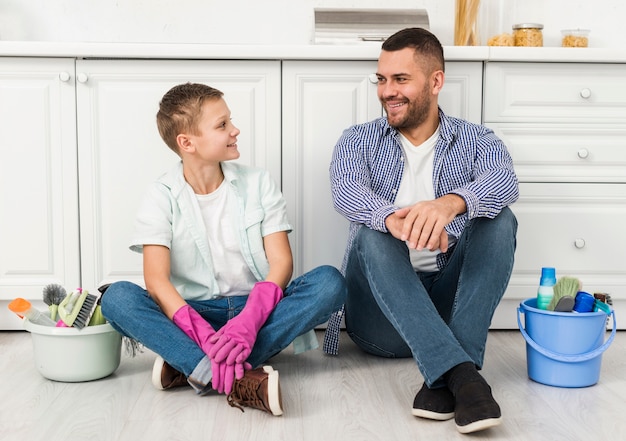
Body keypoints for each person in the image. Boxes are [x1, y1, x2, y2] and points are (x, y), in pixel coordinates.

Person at [102, 82, 346, 416]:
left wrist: (248, 322)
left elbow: (282, 264)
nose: (235, 130)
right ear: (187, 142)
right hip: (194, 314)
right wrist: (201, 332)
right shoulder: (160, 196)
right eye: (222, 125)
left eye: (230, 121)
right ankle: (231, 375)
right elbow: (157, 282)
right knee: (117, 298)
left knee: (330, 283)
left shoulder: (258, 182)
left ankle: (190, 365)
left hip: (258, 313)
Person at [322, 28, 519, 434]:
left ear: (435, 81)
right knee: (372, 231)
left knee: (501, 219)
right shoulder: (357, 141)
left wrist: (449, 204)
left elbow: (504, 181)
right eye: (382, 79)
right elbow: (346, 193)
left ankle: (445, 373)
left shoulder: (477, 140)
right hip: (381, 321)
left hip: (448, 307)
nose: (386, 91)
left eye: (400, 79)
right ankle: (465, 376)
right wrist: (395, 219)